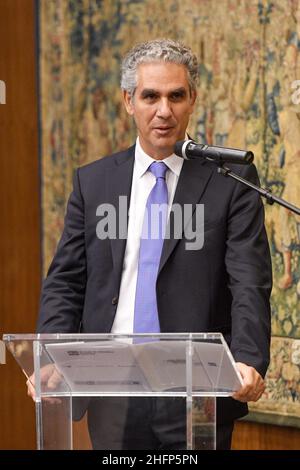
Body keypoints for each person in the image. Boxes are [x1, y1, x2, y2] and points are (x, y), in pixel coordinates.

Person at [28, 39, 272, 449]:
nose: (164, 110)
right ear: (129, 100)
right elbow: (66, 281)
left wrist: (247, 360)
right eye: (150, 96)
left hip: (196, 391)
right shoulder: (95, 183)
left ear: (192, 98)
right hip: (110, 386)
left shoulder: (230, 182)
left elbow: (248, 282)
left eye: (176, 96)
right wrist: (50, 353)